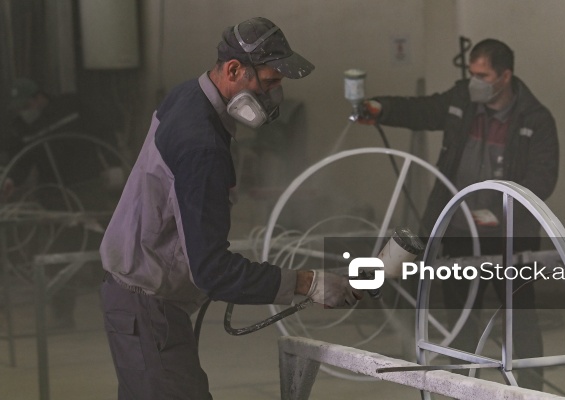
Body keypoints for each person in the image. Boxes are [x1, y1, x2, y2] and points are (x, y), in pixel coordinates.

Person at [99, 17, 362, 399]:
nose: (275, 95)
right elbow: (213, 272)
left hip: (138, 302)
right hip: (148, 310)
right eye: (270, 82)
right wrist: (309, 284)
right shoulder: (201, 145)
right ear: (234, 69)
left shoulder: (188, 96)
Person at [358, 39, 559, 390]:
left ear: (505, 76)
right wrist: (381, 109)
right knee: (462, 319)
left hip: (510, 235)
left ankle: (531, 391)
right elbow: (422, 110)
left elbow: (542, 179)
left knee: (520, 318)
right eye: (471, 72)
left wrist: (498, 213)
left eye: (482, 75)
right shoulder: (461, 100)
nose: (474, 81)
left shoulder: (535, 120)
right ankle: (462, 390)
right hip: (457, 230)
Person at [2, 78, 106, 330]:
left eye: (26, 104)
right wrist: (11, 179)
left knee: (106, 251)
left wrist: (111, 164)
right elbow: (22, 161)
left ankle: (122, 313)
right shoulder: (22, 129)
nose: (24, 111)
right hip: (56, 196)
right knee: (59, 254)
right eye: (19, 108)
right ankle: (63, 316)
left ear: (39, 97)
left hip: (88, 187)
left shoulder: (70, 106)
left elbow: (102, 130)